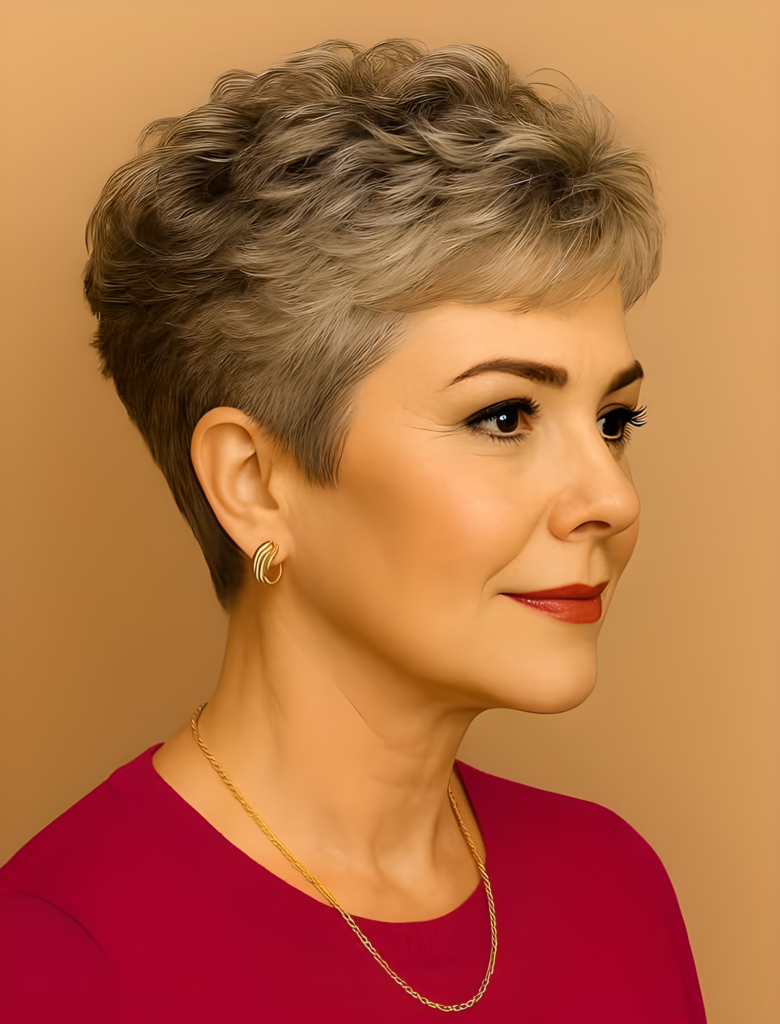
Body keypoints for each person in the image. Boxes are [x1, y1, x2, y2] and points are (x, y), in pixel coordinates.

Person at [0, 38, 707, 1023]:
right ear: (254, 482)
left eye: (615, 421)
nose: (612, 500)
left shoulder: (613, 885)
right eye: (505, 416)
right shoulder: (55, 963)